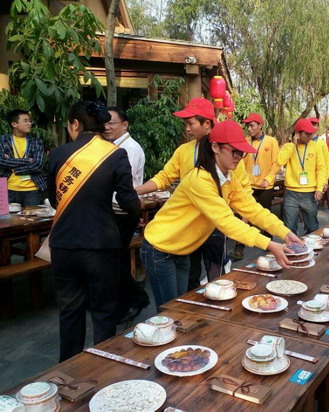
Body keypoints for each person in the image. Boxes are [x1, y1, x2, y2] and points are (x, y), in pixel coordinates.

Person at [141, 120, 301, 309]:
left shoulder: (228, 178)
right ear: (215, 147)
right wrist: (269, 244)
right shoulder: (200, 180)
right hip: (160, 249)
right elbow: (226, 221)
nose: (239, 158)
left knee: (179, 307)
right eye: (235, 152)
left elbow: (253, 208)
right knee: (169, 309)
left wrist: (284, 232)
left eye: (242, 153)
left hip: (181, 250)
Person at [48, 101, 141, 361]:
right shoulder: (115, 154)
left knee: (69, 311)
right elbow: (128, 202)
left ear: (75, 124)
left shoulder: (58, 153)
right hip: (101, 244)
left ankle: (68, 369)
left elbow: (55, 200)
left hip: (64, 244)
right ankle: (102, 367)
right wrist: (137, 209)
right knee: (103, 311)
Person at [135, 98, 251, 289]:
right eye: (186, 124)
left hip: (215, 223)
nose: (187, 129)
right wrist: (136, 190)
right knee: (190, 276)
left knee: (216, 276)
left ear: (207, 124)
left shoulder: (226, 151)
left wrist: (245, 215)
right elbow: (164, 177)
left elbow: (243, 187)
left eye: (191, 123)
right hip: (188, 225)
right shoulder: (184, 150)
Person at [103, 107, 150, 323]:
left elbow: (125, 186)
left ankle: (135, 298)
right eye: (105, 123)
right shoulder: (112, 146)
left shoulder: (130, 148)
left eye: (112, 123)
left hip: (122, 211)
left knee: (114, 258)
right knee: (115, 258)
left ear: (124, 125)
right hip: (113, 210)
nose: (107, 127)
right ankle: (129, 299)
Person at [229, 113, 279, 261]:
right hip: (249, 186)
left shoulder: (271, 141)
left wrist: (269, 178)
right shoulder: (245, 141)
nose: (249, 129)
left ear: (260, 125)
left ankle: (269, 245)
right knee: (244, 216)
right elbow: (240, 163)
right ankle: (239, 248)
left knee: (265, 215)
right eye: (247, 126)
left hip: (265, 186)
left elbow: (276, 163)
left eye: (251, 125)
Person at [265, 118, 328, 234]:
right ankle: (292, 246)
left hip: (310, 193)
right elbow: (279, 162)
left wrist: (319, 188)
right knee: (289, 229)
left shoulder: (315, 146)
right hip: (291, 193)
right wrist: (292, 145)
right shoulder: (288, 147)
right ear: (298, 133)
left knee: (312, 227)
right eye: (307, 134)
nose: (310, 136)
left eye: (311, 133)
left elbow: (321, 168)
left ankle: (311, 245)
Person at [0, 109, 46, 206]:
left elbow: (38, 165)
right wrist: (27, 160)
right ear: (14, 124)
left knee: (32, 216)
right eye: (25, 121)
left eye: (29, 121)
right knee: (8, 216)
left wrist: (14, 168)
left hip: (32, 190)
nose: (29, 123)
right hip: (8, 188)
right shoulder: (2, 141)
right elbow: (1, 161)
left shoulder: (36, 142)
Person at [309, 117, 329, 191]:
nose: (312, 126)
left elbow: (326, 163)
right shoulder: (304, 142)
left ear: (318, 127)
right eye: (311, 124)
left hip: (318, 179)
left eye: (315, 125)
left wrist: (325, 180)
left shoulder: (322, 143)